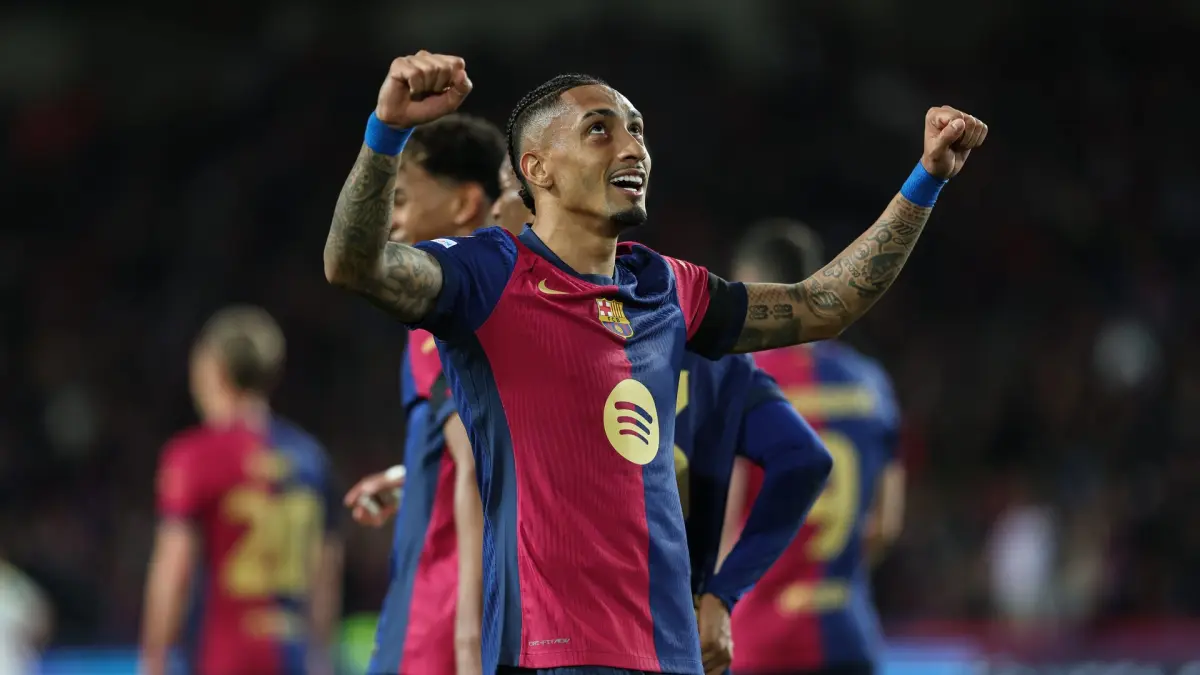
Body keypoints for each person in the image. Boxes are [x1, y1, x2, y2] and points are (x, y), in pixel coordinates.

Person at [323, 51, 986, 675]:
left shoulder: (667, 286)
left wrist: (926, 179)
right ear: (538, 168)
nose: (632, 147)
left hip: (669, 652)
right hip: (549, 650)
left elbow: (822, 305)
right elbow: (355, 265)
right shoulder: (487, 273)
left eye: (637, 129)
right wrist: (386, 132)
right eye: (600, 130)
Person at [341, 114, 506, 675]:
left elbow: (474, 466)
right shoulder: (511, 302)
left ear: (464, 204)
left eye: (404, 200)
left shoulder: (445, 311)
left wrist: (468, 640)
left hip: (435, 623)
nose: (393, 220)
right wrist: (414, 476)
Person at [721, 221, 905, 675]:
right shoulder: (872, 385)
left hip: (760, 640)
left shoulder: (741, 383)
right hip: (848, 635)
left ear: (753, 289)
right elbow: (885, 525)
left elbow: (722, 527)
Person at [141, 306, 343, 675]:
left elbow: (174, 567)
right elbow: (325, 573)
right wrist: (321, 657)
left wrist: (154, 659)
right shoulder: (311, 459)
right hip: (293, 655)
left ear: (211, 368)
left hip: (223, 656)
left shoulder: (193, 457)